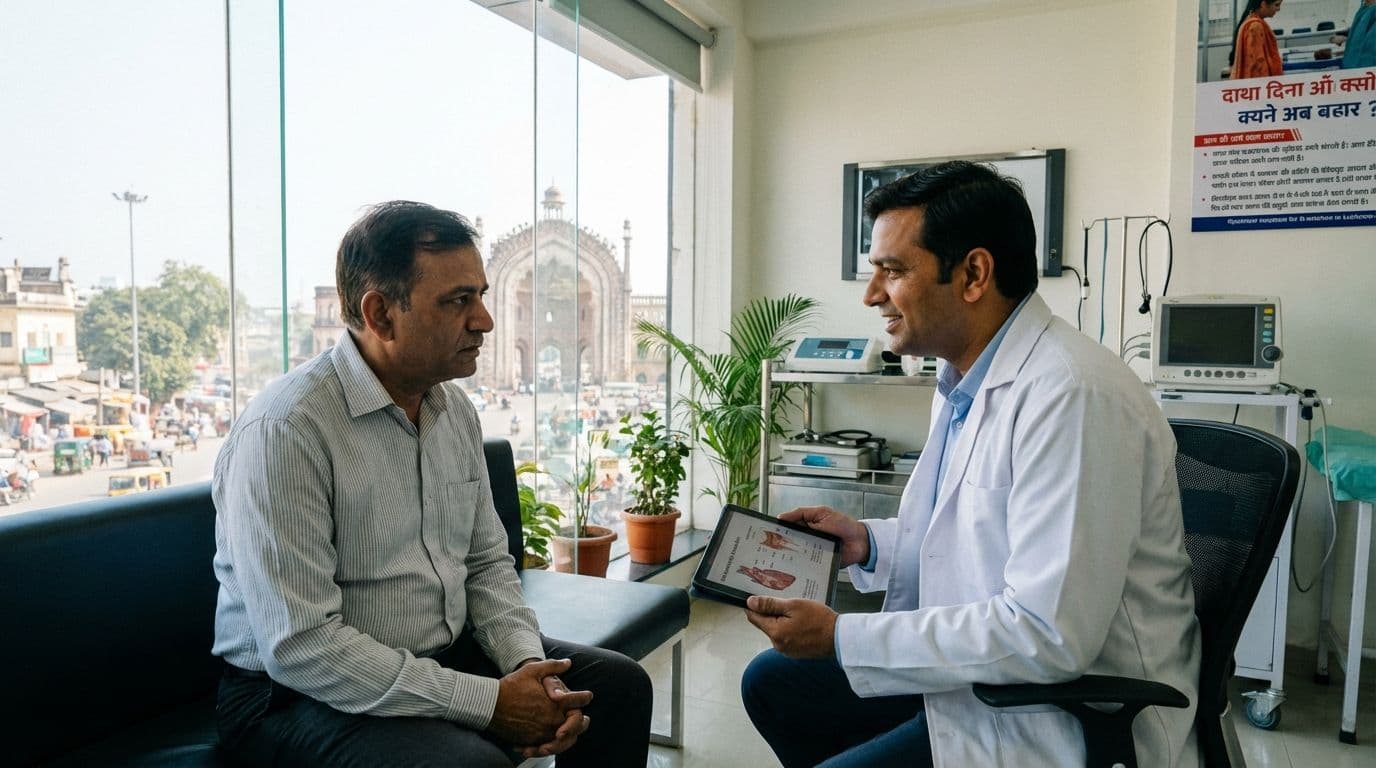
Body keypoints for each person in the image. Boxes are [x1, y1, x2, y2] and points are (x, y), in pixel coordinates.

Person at [739, 162, 1200, 767]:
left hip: (1062, 716)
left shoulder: (1072, 395)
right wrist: (866, 544)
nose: (872, 294)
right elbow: (970, 539)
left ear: (974, 274)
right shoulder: (963, 380)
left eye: (893, 270)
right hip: (986, 683)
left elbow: (1047, 634)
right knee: (772, 682)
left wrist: (842, 635)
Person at [212, 201, 652, 767]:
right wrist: (489, 703)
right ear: (381, 314)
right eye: (457, 301)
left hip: (435, 653)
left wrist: (525, 671)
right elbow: (301, 647)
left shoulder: (452, 410)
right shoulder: (287, 430)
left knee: (618, 688)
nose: (485, 321)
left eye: (482, 295)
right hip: (294, 695)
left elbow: (487, 563)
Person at [1230, 0, 1284, 79]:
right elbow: (1258, 64)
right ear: (1263, 4)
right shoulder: (1255, 26)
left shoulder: (1250, 21)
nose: (1278, 9)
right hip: (1258, 83)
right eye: (1276, 5)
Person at [1341, 0, 1376, 69]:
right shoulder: (1364, 8)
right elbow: (1358, 35)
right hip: (1352, 66)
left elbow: (1370, 43)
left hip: (1367, 67)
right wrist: (1346, 38)